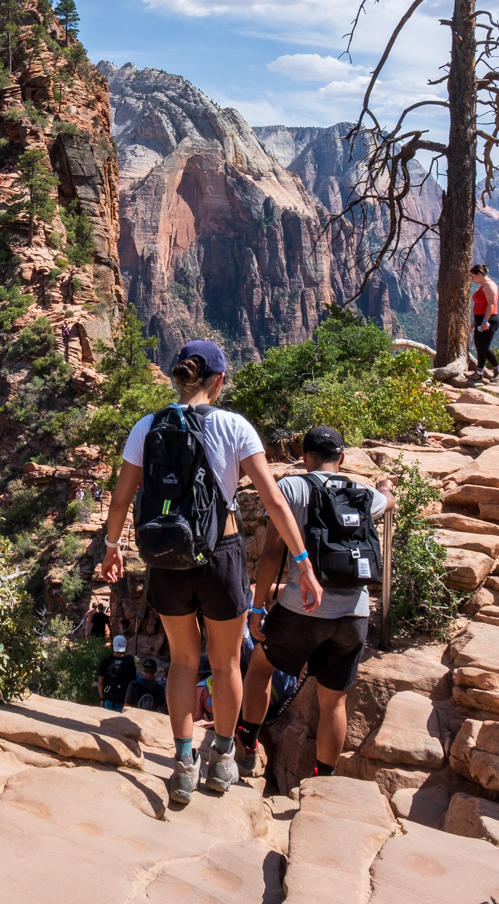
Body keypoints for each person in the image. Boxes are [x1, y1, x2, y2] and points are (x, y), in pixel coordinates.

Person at [101, 340, 322, 804]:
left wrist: (112, 548)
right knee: (224, 663)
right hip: (220, 554)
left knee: (183, 661)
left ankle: (183, 763)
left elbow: (121, 499)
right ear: (219, 380)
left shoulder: (147, 426)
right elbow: (274, 500)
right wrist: (303, 563)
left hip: (166, 557)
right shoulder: (234, 426)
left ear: (178, 377)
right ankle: (221, 758)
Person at [235, 426, 395, 780]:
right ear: (342, 458)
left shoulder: (292, 488)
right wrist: (386, 488)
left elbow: (272, 553)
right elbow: (388, 501)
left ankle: (247, 747)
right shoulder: (362, 493)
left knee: (260, 667)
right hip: (354, 612)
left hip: (302, 607)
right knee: (333, 701)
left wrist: (258, 609)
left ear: (304, 457)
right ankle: (324, 779)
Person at [471, 265, 499, 382]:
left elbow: (491, 304)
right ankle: (479, 373)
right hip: (481, 320)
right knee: (479, 347)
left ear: (479, 274)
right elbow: (481, 305)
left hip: (489, 320)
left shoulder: (489, 285)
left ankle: (497, 370)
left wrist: (484, 321)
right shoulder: (483, 286)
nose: (472, 279)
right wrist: (476, 321)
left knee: (484, 347)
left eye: (473, 276)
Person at [96, 634, 137, 711]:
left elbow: (100, 684)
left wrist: (102, 699)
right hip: (124, 701)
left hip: (109, 699)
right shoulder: (130, 663)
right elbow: (133, 683)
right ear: (125, 647)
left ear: (113, 646)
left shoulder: (106, 661)